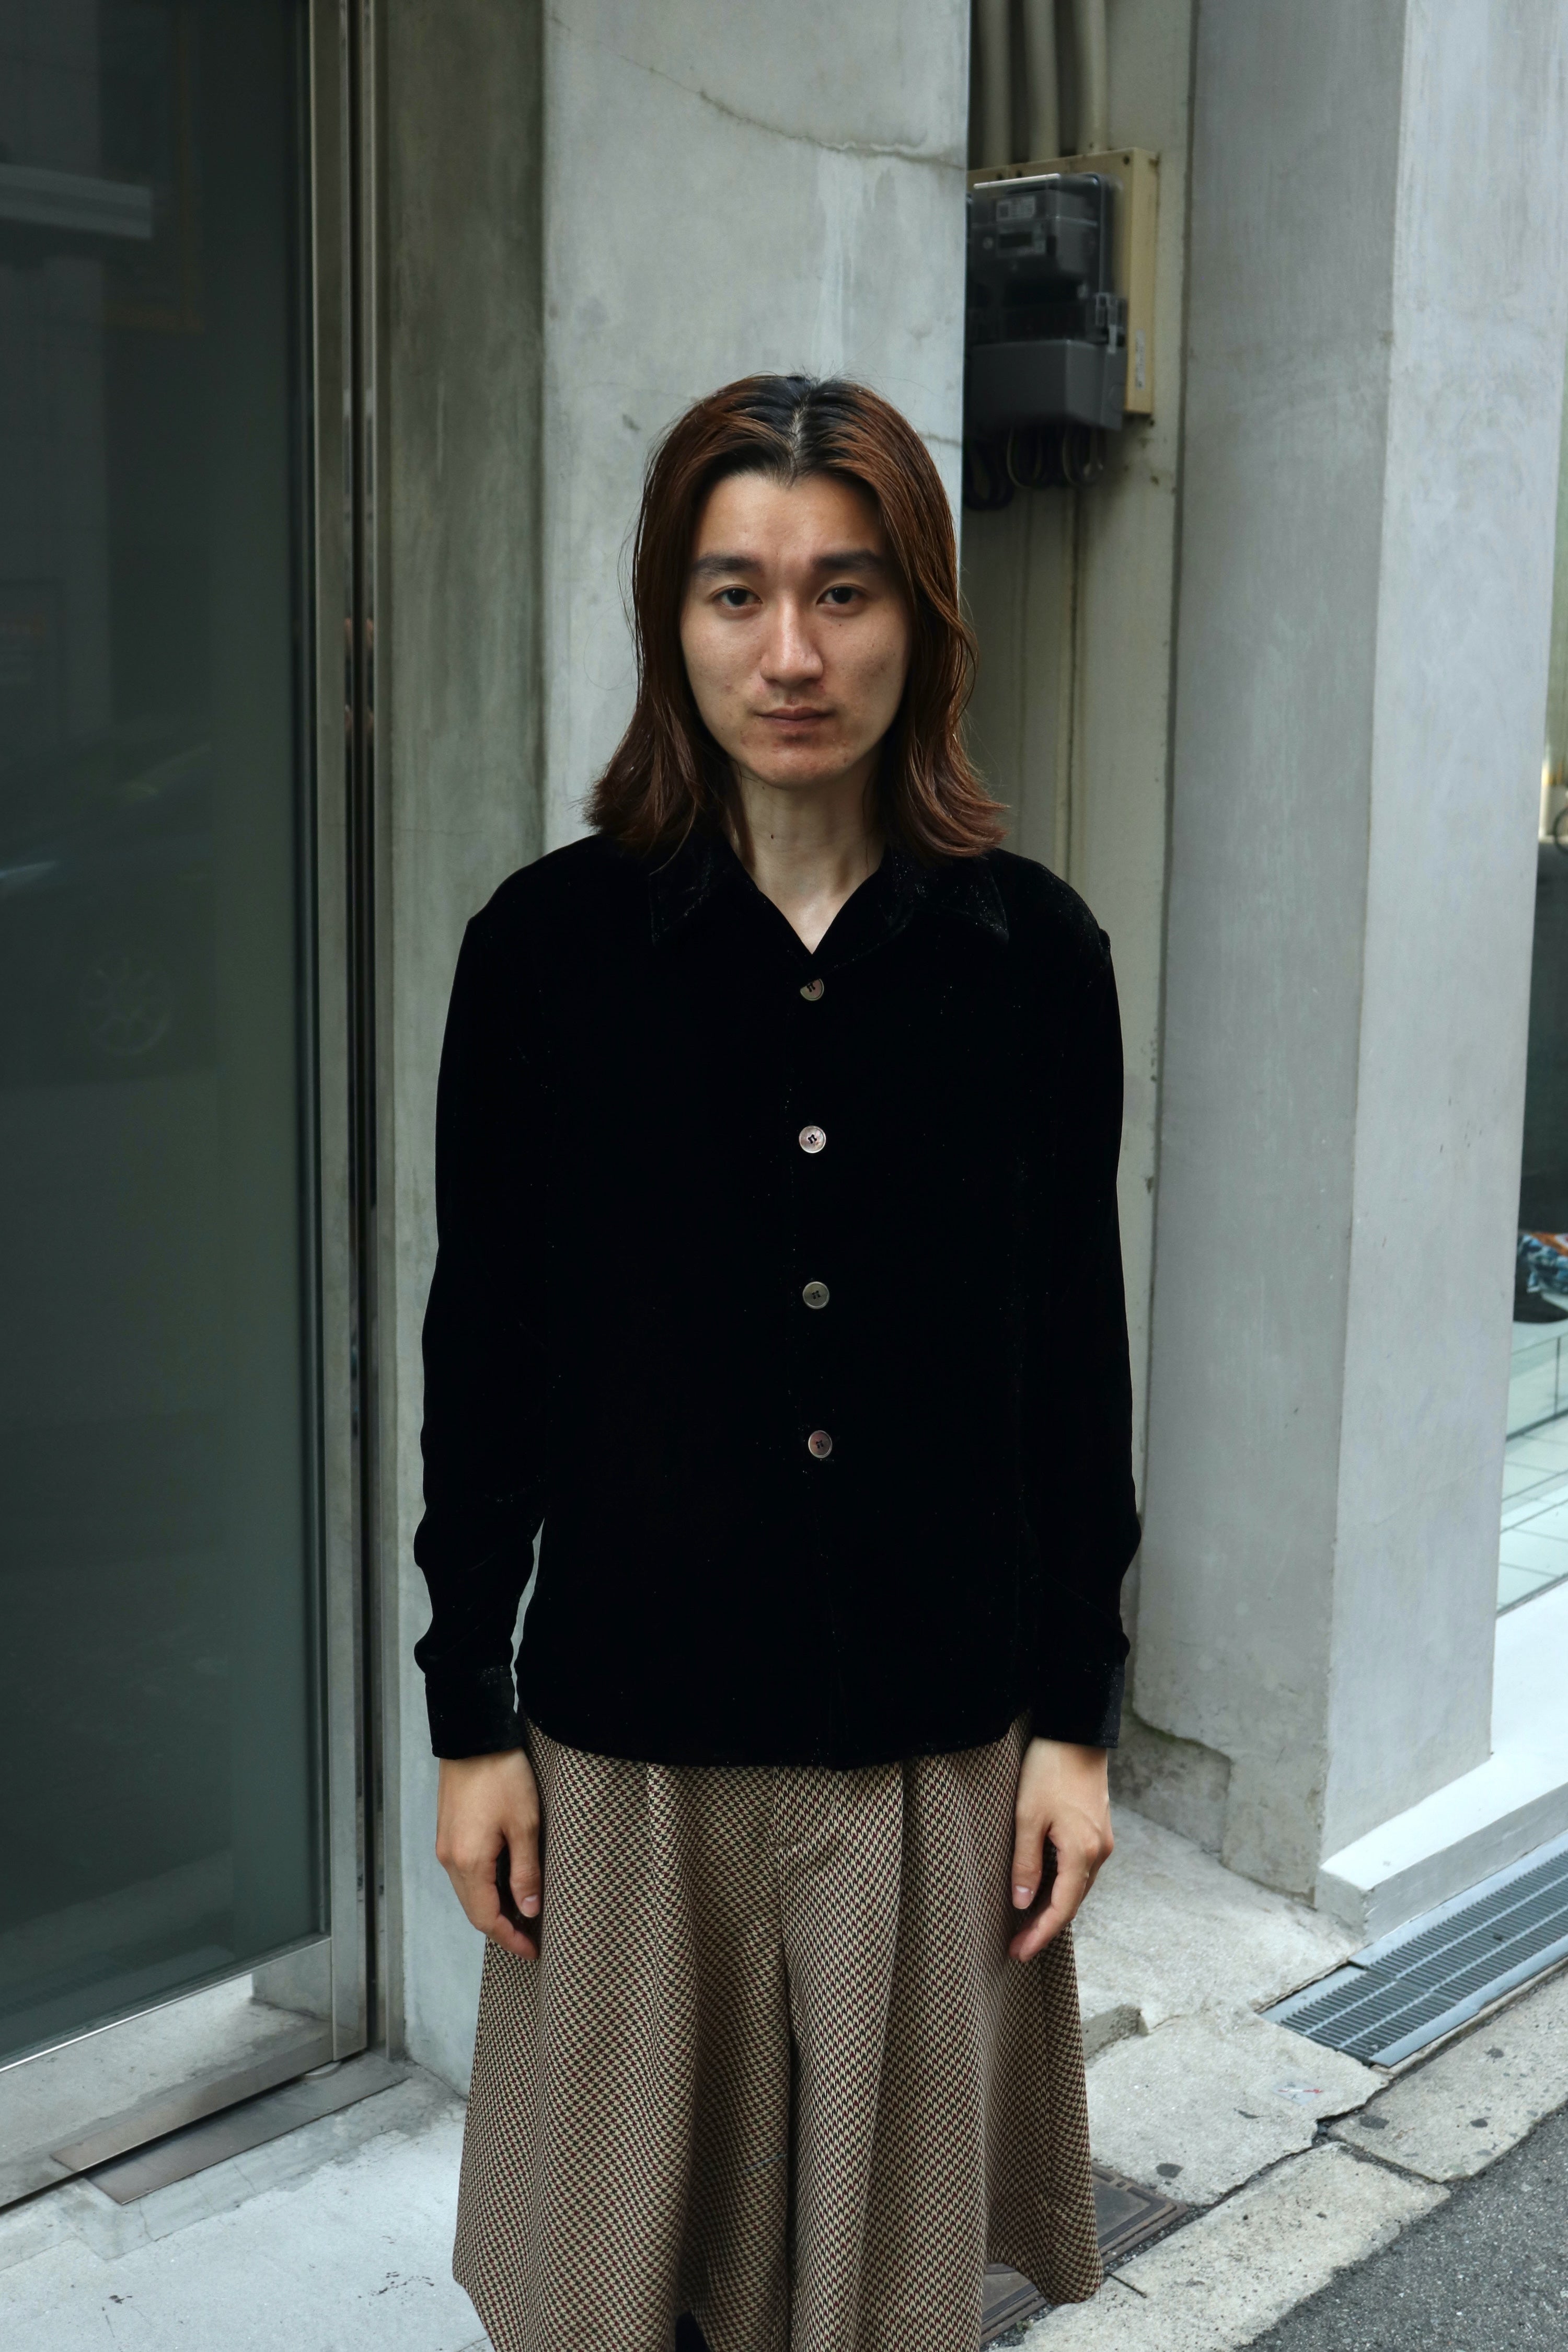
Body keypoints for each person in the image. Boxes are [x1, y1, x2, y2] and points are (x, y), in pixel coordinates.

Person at [413, 373, 1140, 2352]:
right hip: (629, 1760)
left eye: (845, 589)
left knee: (878, 2309)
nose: (792, 653)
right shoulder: (546, 952)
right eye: (736, 592)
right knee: (610, 2292)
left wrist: (1077, 1719)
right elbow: (487, 1353)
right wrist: (469, 1710)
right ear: (673, 619)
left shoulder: (1034, 960)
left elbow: (1072, 1360)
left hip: (932, 1752)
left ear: (924, 617)